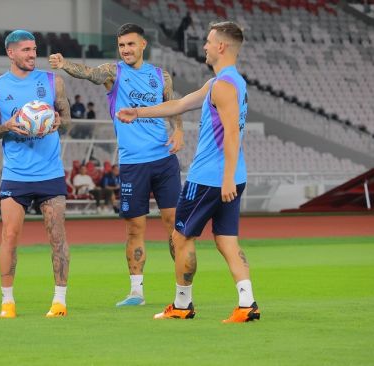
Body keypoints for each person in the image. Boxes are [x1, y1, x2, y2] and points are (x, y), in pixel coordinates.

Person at [117, 21, 260, 323]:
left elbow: (232, 135)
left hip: (210, 178)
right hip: (230, 176)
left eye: (209, 41)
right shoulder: (230, 82)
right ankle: (247, 304)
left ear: (221, 46)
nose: (205, 46)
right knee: (226, 240)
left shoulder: (222, 86)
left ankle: (182, 305)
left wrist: (226, 178)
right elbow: (180, 104)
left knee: (181, 237)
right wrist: (138, 112)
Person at [50, 23, 184, 307]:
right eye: (122, 45)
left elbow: (173, 105)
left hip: (164, 162)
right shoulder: (114, 72)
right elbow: (88, 74)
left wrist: (179, 130)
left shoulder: (161, 75)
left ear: (143, 45)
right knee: (135, 229)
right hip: (133, 165)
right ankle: (136, 292)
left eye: (131, 45)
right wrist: (64, 65)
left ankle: (183, 292)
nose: (125, 50)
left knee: (175, 226)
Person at [0, 29, 71, 318]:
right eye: (26, 50)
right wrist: (6, 126)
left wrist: (59, 120)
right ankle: (7, 302)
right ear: (11, 53)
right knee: (9, 236)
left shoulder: (53, 82)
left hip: (50, 173)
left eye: (34, 49)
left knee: (57, 236)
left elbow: (67, 120)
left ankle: (59, 301)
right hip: (16, 175)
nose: (33, 55)